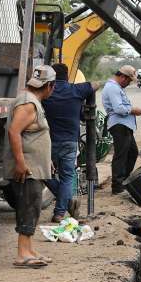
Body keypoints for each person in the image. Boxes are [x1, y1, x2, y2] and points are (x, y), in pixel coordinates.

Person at [3, 64, 56, 268]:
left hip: (34, 167)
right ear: (49, 86)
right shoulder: (28, 104)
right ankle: (22, 254)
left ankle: (29, 249)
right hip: (28, 169)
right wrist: (21, 163)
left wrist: (46, 158)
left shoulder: (32, 101)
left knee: (32, 207)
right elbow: (14, 132)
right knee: (28, 207)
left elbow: (34, 134)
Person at [41, 63, 103, 222]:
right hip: (69, 142)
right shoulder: (76, 90)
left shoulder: (46, 92)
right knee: (67, 177)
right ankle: (60, 212)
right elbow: (97, 84)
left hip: (48, 142)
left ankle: (64, 204)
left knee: (42, 174)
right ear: (67, 76)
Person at [102, 65, 141, 194]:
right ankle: (117, 185)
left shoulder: (116, 87)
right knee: (121, 155)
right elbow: (119, 108)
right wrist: (133, 110)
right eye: (129, 80)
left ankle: (124, 180)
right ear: (122, 77)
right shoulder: (112, 88)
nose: (129, 83)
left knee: (132, 152)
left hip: (125, 125)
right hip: (120, 125)